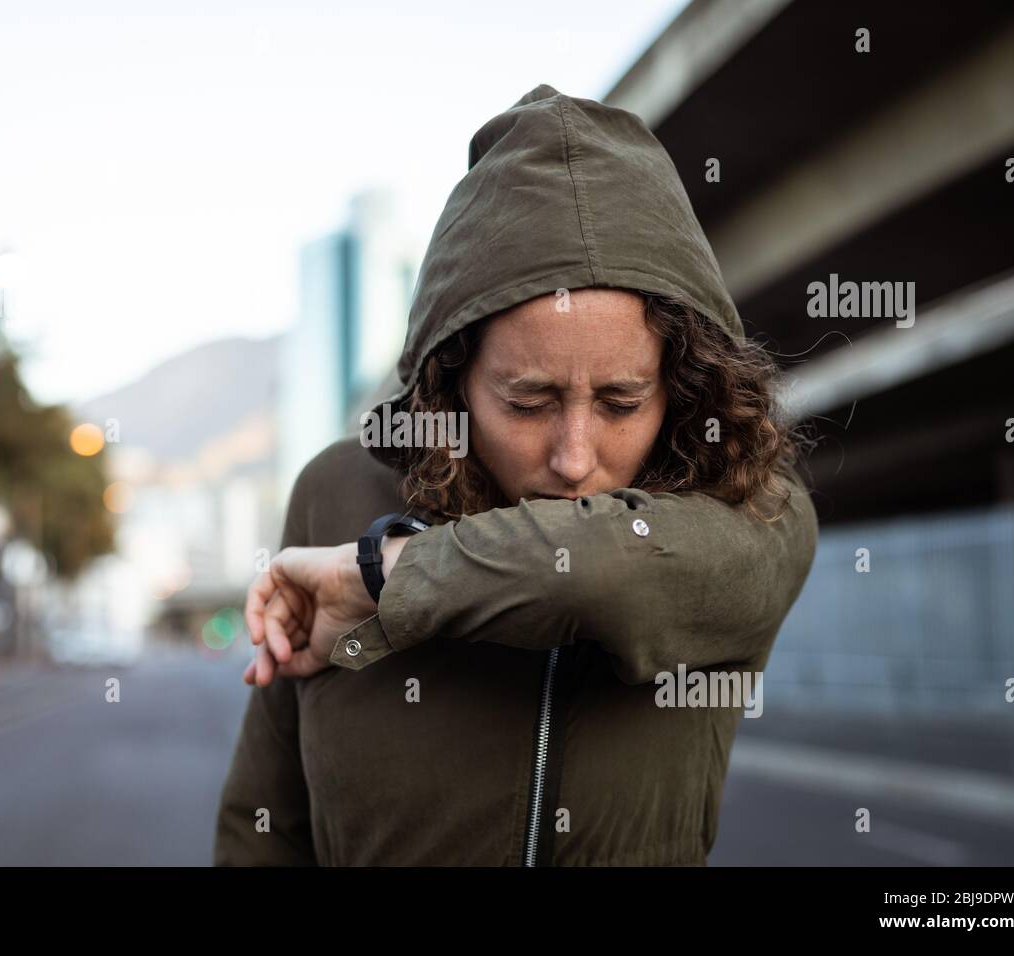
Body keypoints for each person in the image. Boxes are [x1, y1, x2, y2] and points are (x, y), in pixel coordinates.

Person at [213, 84, 818, 866]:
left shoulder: (751, 511)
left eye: (620, 401)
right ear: (452, 378)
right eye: (527, 401)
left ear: (681, 385)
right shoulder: (336, 493)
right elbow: (262, 826)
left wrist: (387, 572)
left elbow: (594, 575)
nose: (573, 457)